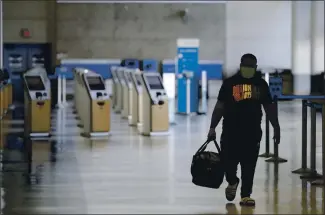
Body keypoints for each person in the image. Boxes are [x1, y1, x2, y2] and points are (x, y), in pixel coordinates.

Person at [207, 53, 280, 207]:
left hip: (252, 132)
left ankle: (246, 195)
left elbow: (269, 107)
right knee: (229, 163)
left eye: (251, 66)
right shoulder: (229, 83)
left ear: (255, 67)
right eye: (245, 65)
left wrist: (276, 126)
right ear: (240, 65)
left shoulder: (261, 85)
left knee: (249, 165)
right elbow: (220, 106)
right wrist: (212, 127)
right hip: (230, 131)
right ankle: (232, 181)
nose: (248, 68)